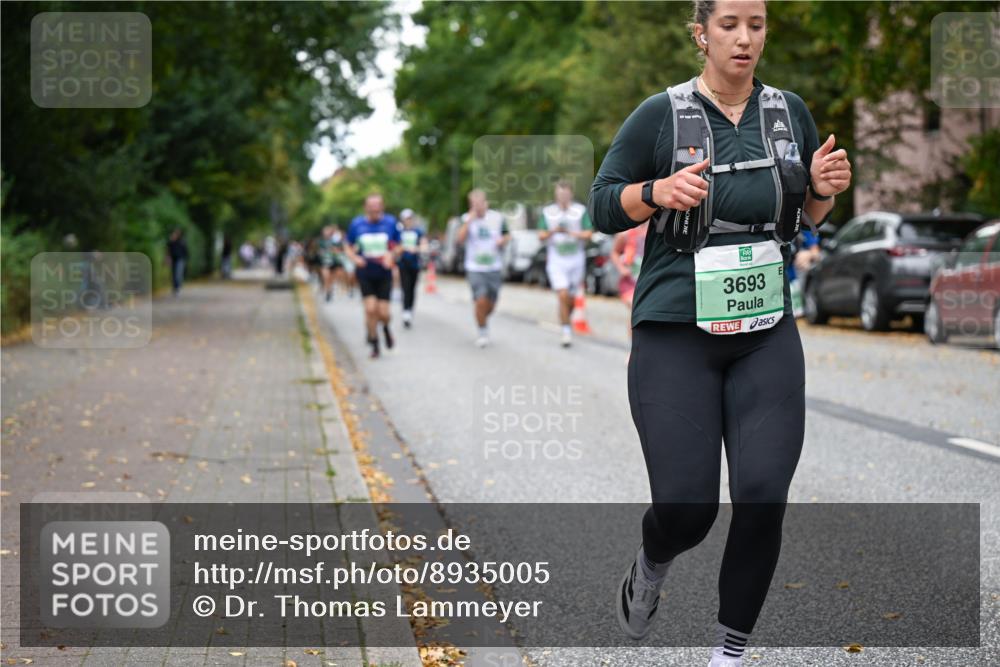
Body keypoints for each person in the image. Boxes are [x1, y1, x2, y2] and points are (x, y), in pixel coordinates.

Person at [588, 2, 851, 665]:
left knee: (763, 492)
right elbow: (602, 204)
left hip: (765, 327)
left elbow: (805, 216)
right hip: (675, 330)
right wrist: (657, 190)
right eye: (730, 24)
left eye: (756, 25)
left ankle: (729, 651)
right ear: (701, 33)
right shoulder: (662, 113)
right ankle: (652, 562)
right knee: (687, 508)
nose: (744, 38)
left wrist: (821, 191)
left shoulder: (788, 113)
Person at [343, 194, 400, 359]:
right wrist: (355, 258)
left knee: (384, 313)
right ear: (366, 207)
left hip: (384, 273)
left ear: (382, 207)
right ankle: (374, 343)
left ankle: (386, 328)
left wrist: (392, 255)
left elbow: (398, 246)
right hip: (365, 273)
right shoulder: (357, 224)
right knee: (370, 309)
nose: (375, 209)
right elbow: (348, 246)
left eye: (378, 206)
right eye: (371, 206)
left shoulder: (390, 223)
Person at [538, 180, 593, 347]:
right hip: (556, 260)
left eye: (565, 193)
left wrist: (571, 233)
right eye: (559, 194)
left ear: (570, 194)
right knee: (562, 294)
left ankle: (565, 319)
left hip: (576, 260)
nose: (562, 197)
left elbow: (588, 234)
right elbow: (540, 235)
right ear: (556, 195)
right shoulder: (548, 212)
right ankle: (566, 331)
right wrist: (552, 232)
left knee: (570, 299)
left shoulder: (579, 211)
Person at [457, 190, 509, 348]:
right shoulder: (466, 219)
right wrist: (469, 222)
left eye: (479, 203)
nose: (477, 207)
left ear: (485, 202)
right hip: (475, 267)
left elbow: (507, 235)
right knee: (480, 300)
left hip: (494, 266)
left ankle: (482, 319)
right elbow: (459, 239)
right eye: (473, 204)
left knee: (491, 304)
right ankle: (482, 331)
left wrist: (503, 240)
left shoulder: (497, 218)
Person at [611, 221, 649, 341]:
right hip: (629, 280)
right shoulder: (625, 232)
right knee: (635, 308)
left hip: (647, 279)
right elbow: (614, 252)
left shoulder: (656, 228)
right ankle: (633, 349)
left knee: (645, 312)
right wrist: (621, 268)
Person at [395, 209, 428, 328]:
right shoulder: (399, 232)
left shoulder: (418, 231)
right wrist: (402, 249)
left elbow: (424, 246)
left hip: (415, 264)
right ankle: (405, 312)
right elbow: (395, 247)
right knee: (405, 287)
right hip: (403, 264)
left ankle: (410, 310)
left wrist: (416, 248)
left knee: (412, 288)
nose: (408, 221)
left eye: (410, 218)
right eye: (406, 219)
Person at [166, 228, 188, 296]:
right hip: (173, 260)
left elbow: (186, 251)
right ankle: (175, 288)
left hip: (180, 260)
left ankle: (177, 287)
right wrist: (168, 258)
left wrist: (185, 259)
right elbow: (168, 251)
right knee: (173, 274)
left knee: (178, 274)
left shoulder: (182, 242)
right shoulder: (171, 242)